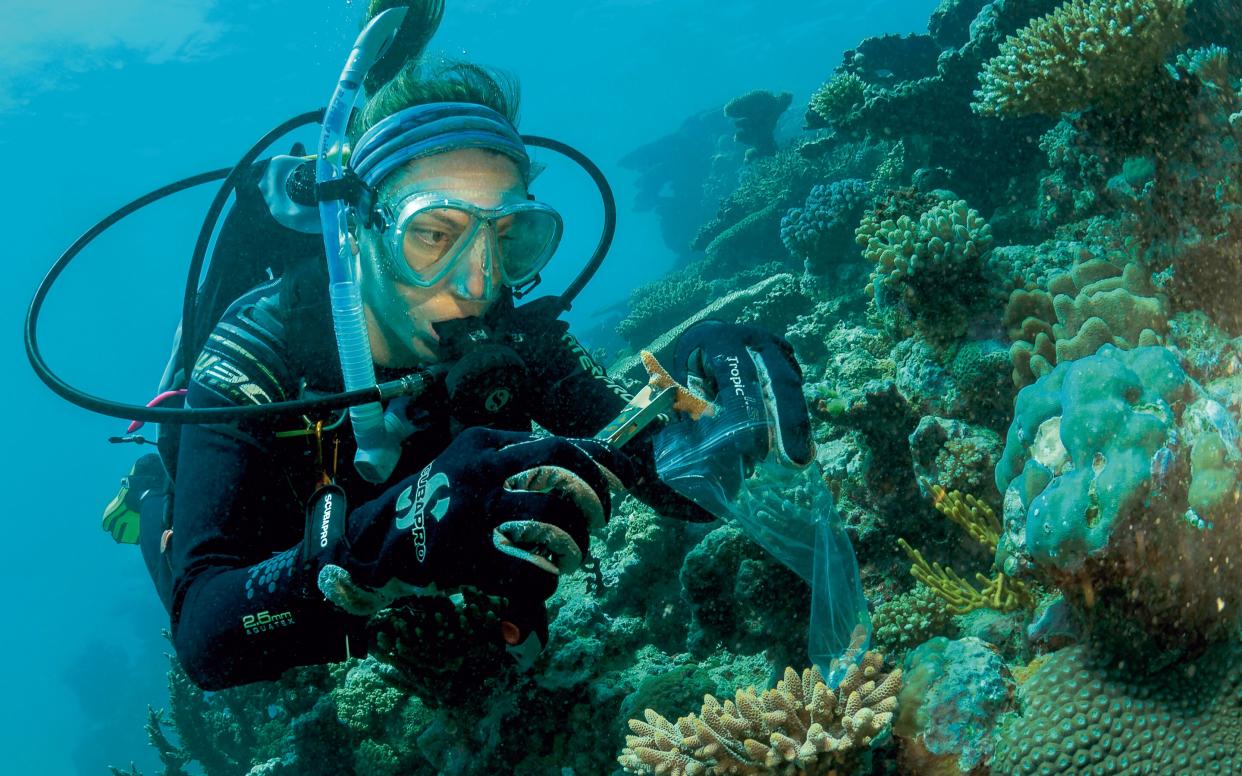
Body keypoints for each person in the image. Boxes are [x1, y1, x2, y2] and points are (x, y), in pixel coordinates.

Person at [146, 3, 813, 691]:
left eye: (508, 237)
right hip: (285, 550)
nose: (477, 280)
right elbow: (204, 638)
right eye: (433, 234)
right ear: (356, 234)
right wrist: (384, 538)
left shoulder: (510, 334)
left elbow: (664, 474)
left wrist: (700, 395)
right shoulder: (259, 355)